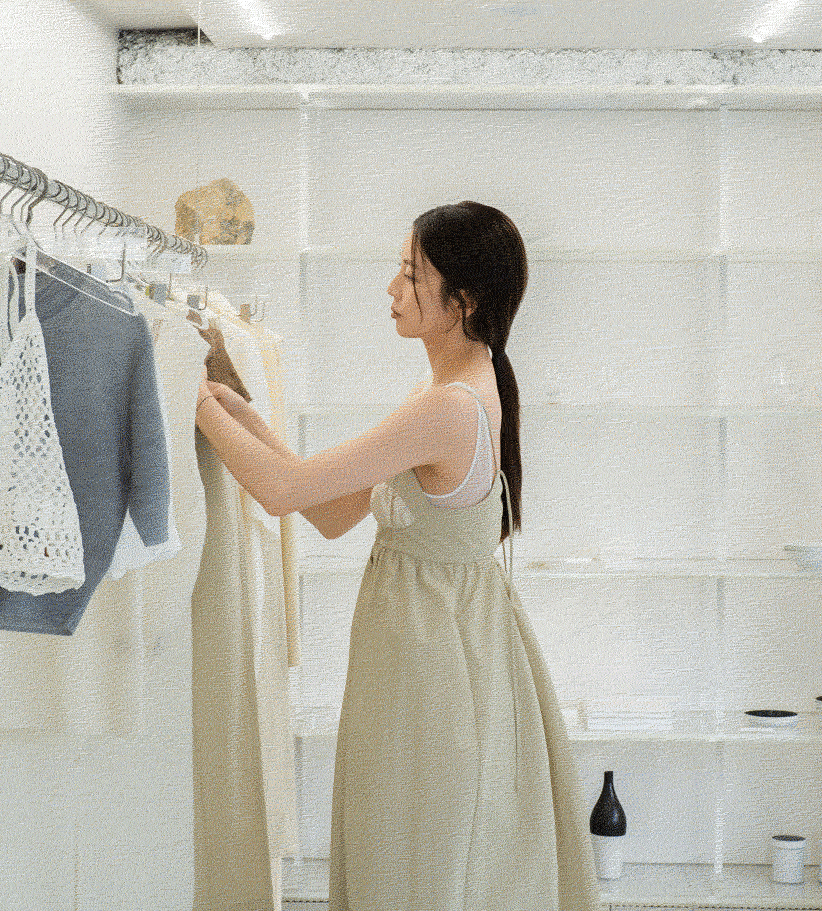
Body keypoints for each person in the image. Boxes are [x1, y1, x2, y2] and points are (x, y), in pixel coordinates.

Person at [196, 201, 600, 911]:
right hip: (428, 653)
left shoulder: (448, 408)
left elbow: (283, 492)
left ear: (462, 300)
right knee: (415, 852)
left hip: (433, 667)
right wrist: (246, 418)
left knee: (415, 859)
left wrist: (189, 397)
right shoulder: (450, 391)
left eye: (411, 275)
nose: (392, 287)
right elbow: (329, 511)